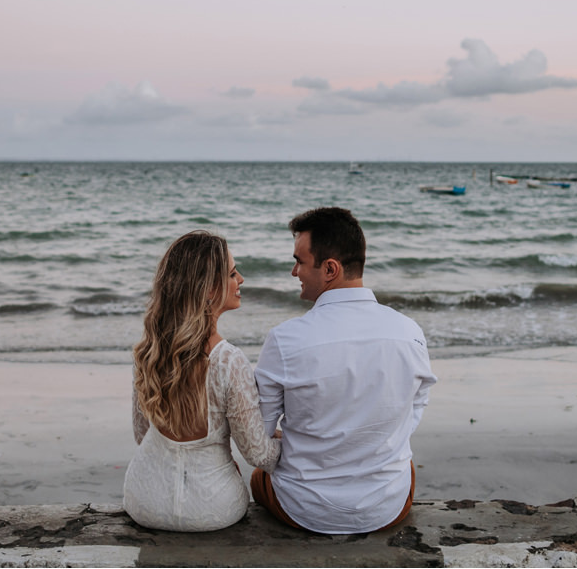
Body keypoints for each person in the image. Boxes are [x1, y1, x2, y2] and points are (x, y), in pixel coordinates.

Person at [252, 207, 437, 534]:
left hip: (303, 509)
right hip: (388, 506)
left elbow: (261, 435)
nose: (294, 272)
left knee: (259, 479)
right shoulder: (409, 332)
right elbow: (415, 408)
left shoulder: (285, 339)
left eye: (299, 261)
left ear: (330, 269)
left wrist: (301, 440)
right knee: (402, 460)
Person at [123, 231, 281, 532]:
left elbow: (142, 435)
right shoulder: (229, 361)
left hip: (144, 499)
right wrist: (297, 442)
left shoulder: (148, 351)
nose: (242, 279)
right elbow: (259, 456)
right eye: (233, 273)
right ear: (209, 290)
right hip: (213, 508)